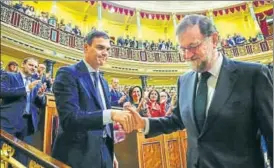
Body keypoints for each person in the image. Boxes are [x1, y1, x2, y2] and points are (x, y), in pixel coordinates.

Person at [130, 14, 273, 168]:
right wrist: (144, 123)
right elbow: (177, 120)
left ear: (214, 39)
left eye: (193, 46)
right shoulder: (184, 81)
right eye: (182, 49)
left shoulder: (253, 75)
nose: (187, 55)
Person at [52, 30, 137, 168]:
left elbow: (103, 120)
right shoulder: (67, 74)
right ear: (86, 47)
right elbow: (70, 119)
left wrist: (110, 152)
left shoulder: (103, 81)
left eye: (108, 49)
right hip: (78, 154)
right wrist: (112, 114)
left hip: (104, 151)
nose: (105, 53)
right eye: (100, 47)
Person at [0, 57, 46, 165]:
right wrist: (26, 89)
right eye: (30, 65)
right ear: (23, 64)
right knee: (4, 157)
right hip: (8, 121)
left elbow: (39, 104)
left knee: (22, 159)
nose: (33, 68)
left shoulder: (36, 83)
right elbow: (2, 91)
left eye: (35, 66)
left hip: (27, 125)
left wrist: (40, 95)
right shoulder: (10, 76)